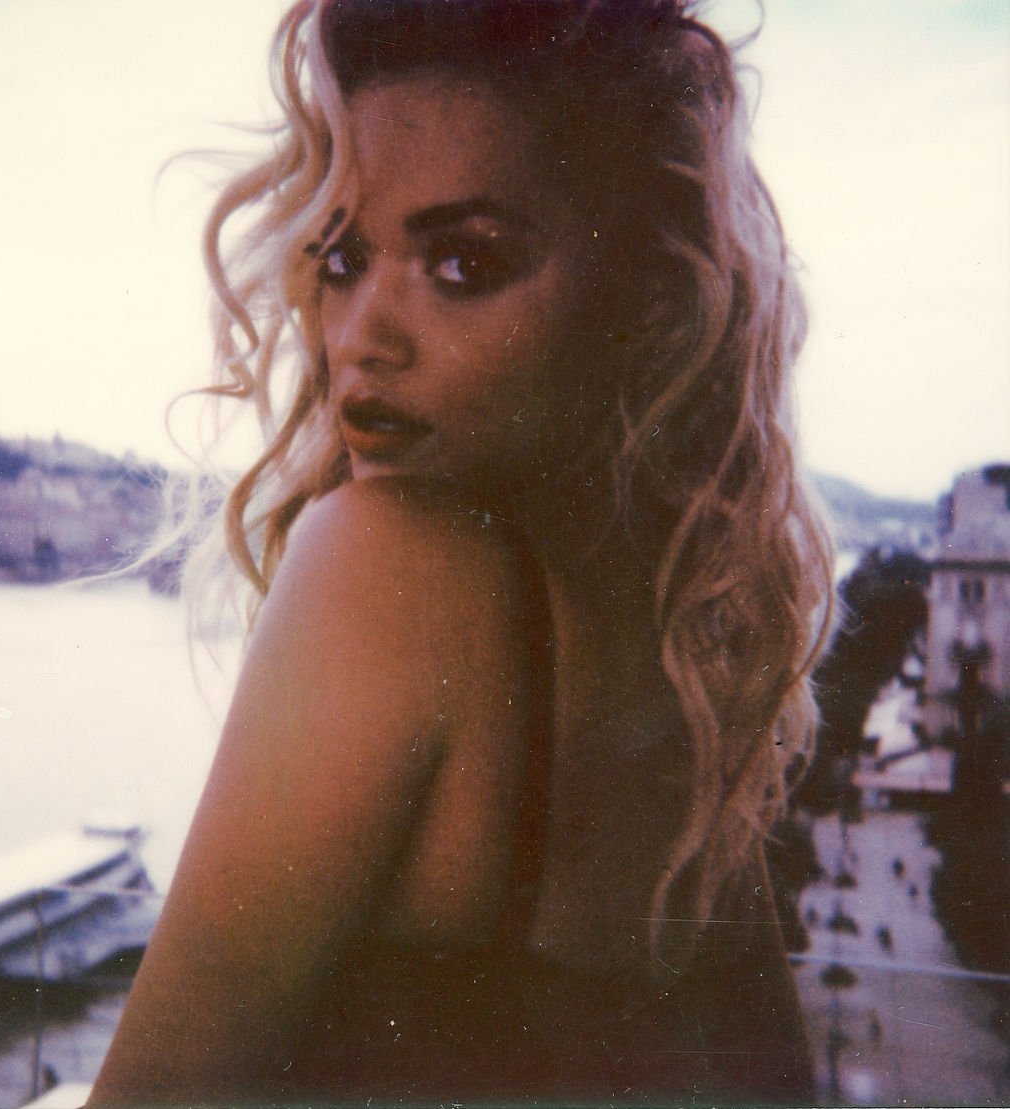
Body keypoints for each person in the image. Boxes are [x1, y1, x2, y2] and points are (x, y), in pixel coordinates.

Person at [89, 0, 833, 1103]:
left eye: (464, 263)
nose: (360, 336)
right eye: (343, 257)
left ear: (634, 297)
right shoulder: (680, 658)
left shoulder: (384, 564)